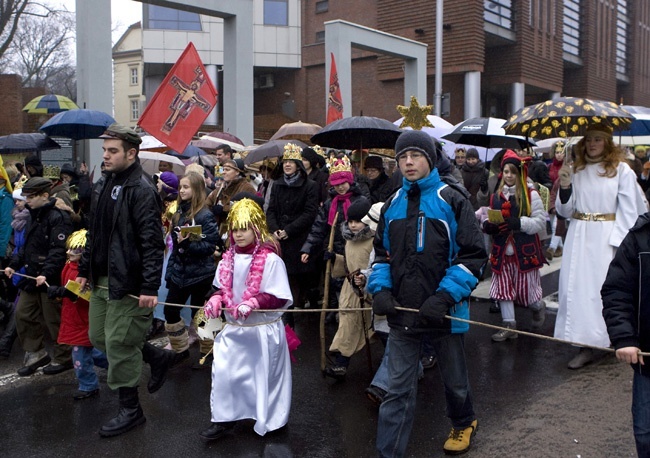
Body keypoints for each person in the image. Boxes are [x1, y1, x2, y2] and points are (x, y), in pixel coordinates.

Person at [367, 130, 487, 457]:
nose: (408, 162)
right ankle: (388, 453)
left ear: (430, 160)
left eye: (415, 155)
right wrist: (380, 289)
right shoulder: (392, 204)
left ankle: (463, 423)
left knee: (455, 382)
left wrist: (444, 297)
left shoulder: (452, 198)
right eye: (402, 157)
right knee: (396, 391)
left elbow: (474, 256)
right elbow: (381, 255)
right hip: (403, 314)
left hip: (445, 312)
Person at [75, 123, 175, 437]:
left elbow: (152, 243)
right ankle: (156, 356)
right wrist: (84, 271)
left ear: (131, 153)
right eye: (105, 150)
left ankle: (131, 410)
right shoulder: (104, 182)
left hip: (128, 283)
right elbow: (94, 231)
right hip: (103, 278)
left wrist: (148, 287)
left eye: (112, 151)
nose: (105, 156)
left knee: (119, 343)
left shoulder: (142, 190)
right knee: (99, 336)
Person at [199, 198, 293, 441]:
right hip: (234, 327)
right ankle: (223, 419)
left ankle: (268, 419)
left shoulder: (271, 260)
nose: (238, 235)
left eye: (244, 229)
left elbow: (278, 295)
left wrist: (254, 302)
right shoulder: (226, 259)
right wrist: (216, 299)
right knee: (224, 373)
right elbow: (221, 287)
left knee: (263, 377)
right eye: (235, 229)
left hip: (261, 330)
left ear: (256, 229)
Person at [554, 123, 647, 370]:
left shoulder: (621, 171)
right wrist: (564, 186)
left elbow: (631, 209)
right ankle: (586, 344)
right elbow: (564, 211)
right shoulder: (576, 170)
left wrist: (621, 244)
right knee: (579, 290)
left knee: (605, 289)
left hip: (607, 238)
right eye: (589, 140)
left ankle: (610, 339)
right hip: (580, 235)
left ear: (607, 142)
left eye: (598, 139)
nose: (593, 144)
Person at [4, 177, 73, 376]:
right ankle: (36, 353)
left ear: (45, 195)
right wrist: (13, 264)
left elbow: (58, 250)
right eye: (26, 196)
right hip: (31, 274)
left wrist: (46, 273)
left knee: (54, 318)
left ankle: (64, 356)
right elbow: (25, 245)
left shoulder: (58, 217)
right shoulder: (32, 215)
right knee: (23, 313)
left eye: (31, 196)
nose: (27, 200)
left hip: (49, 277)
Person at [480, 151, 547, 341]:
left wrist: (519, 223)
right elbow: (486, 216)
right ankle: (509, 324)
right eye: (506, 171)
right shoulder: (496, 197)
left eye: (513, 172)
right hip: (502, 251)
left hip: (523, 251)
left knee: (527, 294)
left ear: (519, 173)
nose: (509, 175)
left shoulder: (530, 194)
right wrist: (488, 225)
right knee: (503, 290)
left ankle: (538, 306)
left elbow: (540, 222)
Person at [601, 212, 650, 457]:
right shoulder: (639, 238)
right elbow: (616, 290)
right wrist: (624, 338)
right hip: (647, 362)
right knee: (645, 433)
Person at [163, 172, 220, 366]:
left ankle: (208, 352)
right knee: (170, 311)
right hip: (180, 273)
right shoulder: (178, 212)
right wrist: (170, 272)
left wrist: (187, 245)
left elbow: (210, 247)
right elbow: (175, 249)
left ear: (196, 189)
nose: (181, 190)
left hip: (201, 275)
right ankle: (180, 350)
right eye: (180, 187)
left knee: (202, 315)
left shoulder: (205, 215)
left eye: (186, 187)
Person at [47, 229, 109, 400]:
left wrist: (64, 292)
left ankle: (88, 385)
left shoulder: (88, 272)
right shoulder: (69, 266)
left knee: (80, 355)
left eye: (75, 249)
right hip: (72, 316)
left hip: (84, 319)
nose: (69, 252)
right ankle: (117, 366)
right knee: (93, 352)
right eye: (69, 248)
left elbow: (85, 295)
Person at [266, 143, 319, 325]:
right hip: (278, 239)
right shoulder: (277, 184)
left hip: (298, 238)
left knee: (296, 279)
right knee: (281, 278)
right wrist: (275, 229)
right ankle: (284, 317)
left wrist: (289, 230)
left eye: (291, 161)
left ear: (298, 164)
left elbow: (310, 213)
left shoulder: (310, 185)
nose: (287, 165)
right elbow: (270, 210)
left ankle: (296, 314)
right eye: (285, 161)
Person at [323, 197, 375, 380]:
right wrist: (334, 259)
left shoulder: (373, 241)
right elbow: (347, 264)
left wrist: (366, 279)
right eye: (350, 221)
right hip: (350, 290)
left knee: (378, 329)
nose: (353, 225)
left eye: (358, 221)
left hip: (369, 290)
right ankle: (341, 364)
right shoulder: (349, 240)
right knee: (348, 325)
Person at [205, 158, 256, 236]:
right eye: (223, 169)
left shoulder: (247, 188)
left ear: (237, 172)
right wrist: (211, 211)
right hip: (219, 231)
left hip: (238, 231)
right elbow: (207, 203)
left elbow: (248, 209)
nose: (224, 172)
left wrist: (224, 209)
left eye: (227, 170)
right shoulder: (221, 188)